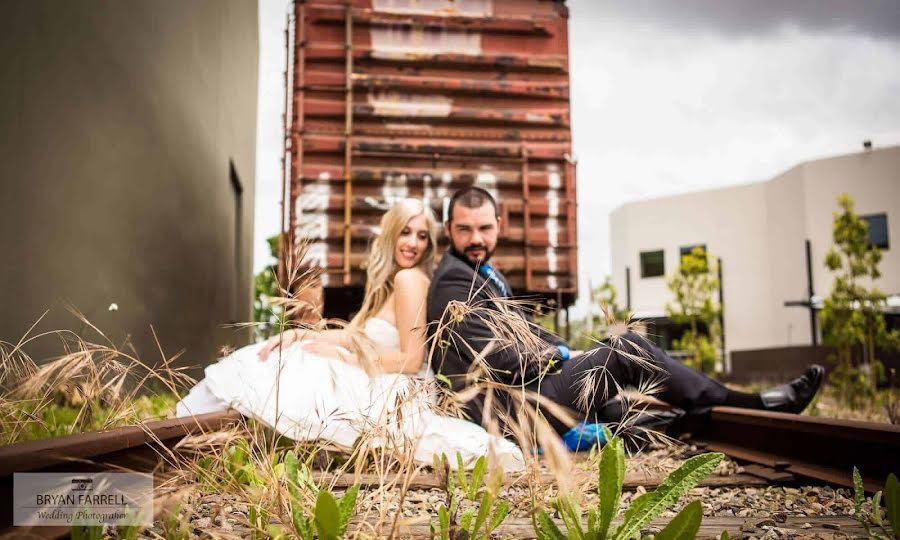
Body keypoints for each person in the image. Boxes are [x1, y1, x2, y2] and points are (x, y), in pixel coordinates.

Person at [426, 186, 825, 436]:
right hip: (504, 407)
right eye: (465, 230)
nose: (476, 238)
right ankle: (748, 405)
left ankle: (708, 419)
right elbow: (497, 357)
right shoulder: (453, 282)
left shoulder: (479, 273)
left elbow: (529, 333)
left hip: (519, 397)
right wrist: (566, 357)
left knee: (625, 411)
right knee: (627, 348)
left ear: (499, 224)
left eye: (483, 228)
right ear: (450, 231)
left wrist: (567, 351)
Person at [176, 198, 524, 471]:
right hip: (386, 376)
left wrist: (348, 358)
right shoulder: (389, 281)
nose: (413, 244)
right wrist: (301, 337)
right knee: (288, 354)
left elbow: (411, 359)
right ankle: (189, 432)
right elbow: (354, 335)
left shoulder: (409, 280)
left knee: (286, 366)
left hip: (402, 386)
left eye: (422, 236)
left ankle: (182, 429)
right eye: (405, 232)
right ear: (390, 233)